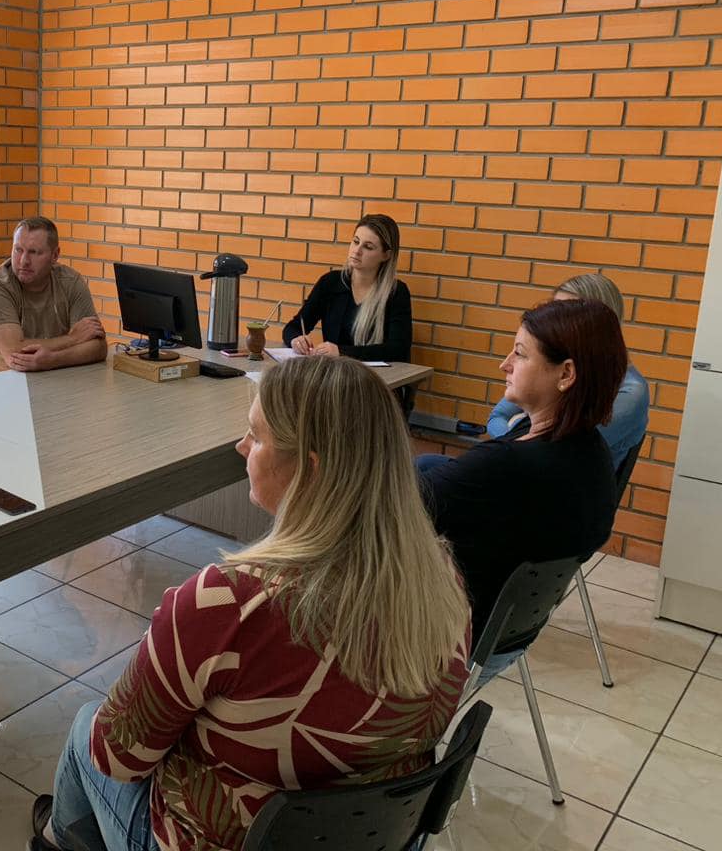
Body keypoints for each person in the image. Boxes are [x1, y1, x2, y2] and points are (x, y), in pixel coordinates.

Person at [29, 357, 471, 851]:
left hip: (227, 840)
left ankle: (52, 842)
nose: (241, 447)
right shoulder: (442, 580)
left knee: (86, 728)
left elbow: (116, 758)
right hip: (377, 838)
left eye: (256, 437)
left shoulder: (227, 604)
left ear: (309, 469)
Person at [419, 299, 626, 682]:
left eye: (520, 354)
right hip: (504, 641)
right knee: (426, 466)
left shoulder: (509, 466)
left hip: (444, 648)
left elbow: (383, 510)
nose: (505, 365)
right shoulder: (592, 452)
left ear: (566, 374)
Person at [488, 273, 648, 469]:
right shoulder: (552, 365)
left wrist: (517, 428)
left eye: (564, 316)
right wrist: (519, 434)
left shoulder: (631, 392)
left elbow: (559, 449)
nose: (552, 325)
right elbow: (497, 417)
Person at [0, 216, 106, 376]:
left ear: (55, 255)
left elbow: (99, 347)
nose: (24, 261)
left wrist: (54, 360)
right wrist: (73, 339)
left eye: (34, 252)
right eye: (18, 250)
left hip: (47, 376)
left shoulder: (70, 282)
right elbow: (15, 353)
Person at [282, 213, 412, 362]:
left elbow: (398, 349)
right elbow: (293, 327)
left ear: (386, 255)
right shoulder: (330, 282)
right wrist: (296, 340)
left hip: (377, 375)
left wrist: (342, 352)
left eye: (368, 247)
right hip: (335, 373)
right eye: (355, 241)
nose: (357, 251)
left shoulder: (396, 292)